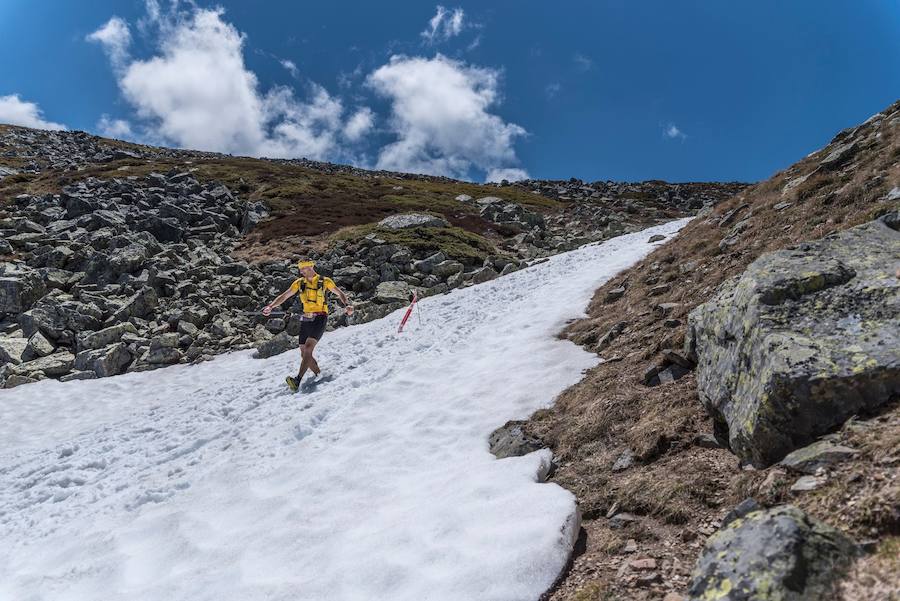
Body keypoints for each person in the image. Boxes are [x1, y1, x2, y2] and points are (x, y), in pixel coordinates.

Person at [263, 260, 354, 392]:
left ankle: (297, 380)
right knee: (303, 353)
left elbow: (340, 293)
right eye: (300, 270)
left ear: (311, 267)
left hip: (320, 317)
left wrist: (347, 305)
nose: (301, 272)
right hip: (306, 318)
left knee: (308, 348)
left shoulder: (325, 281)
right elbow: (285, 295)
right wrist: (271, 306)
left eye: (304, 269)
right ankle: (319, 374)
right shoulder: (299, 283)